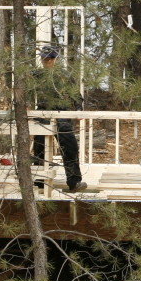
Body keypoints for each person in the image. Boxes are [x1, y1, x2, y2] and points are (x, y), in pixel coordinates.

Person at [31, 47, 85, 191]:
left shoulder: (64, 75)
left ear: (55, 59)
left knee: (69, 146)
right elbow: (26, 91)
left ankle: (74, 181)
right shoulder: (37, 75)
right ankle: (40, 181)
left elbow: (76, 95)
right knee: (39, 146)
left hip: (61, 113)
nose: (46, 62)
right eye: (44, 59)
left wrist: (79, 109)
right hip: (43, 113)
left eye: (49, 59)